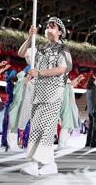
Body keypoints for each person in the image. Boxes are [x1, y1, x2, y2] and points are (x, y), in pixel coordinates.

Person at [18, 17, 72, 176]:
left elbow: (62, 69)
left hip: (53, 93)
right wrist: (30, 37)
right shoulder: (40, 48)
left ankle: (36, 163)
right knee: (36, 128)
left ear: (60, 31)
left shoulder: (64, 49)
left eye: (53, 26)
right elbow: (21, 53)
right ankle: (48, 163)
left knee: (45, 128)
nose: (49, 27)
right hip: (38, 93)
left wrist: (39, 72)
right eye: (48, 25)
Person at [58, 74, 84, 149]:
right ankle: (61, 144)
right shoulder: (60, 79)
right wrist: (77, 79)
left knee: (70, 126)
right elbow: (71, 83)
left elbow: (71, 83)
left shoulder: (67, 83)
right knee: (66, 125)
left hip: (70, 106)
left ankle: (65, 143)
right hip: (65, 105)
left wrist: (78, 79)